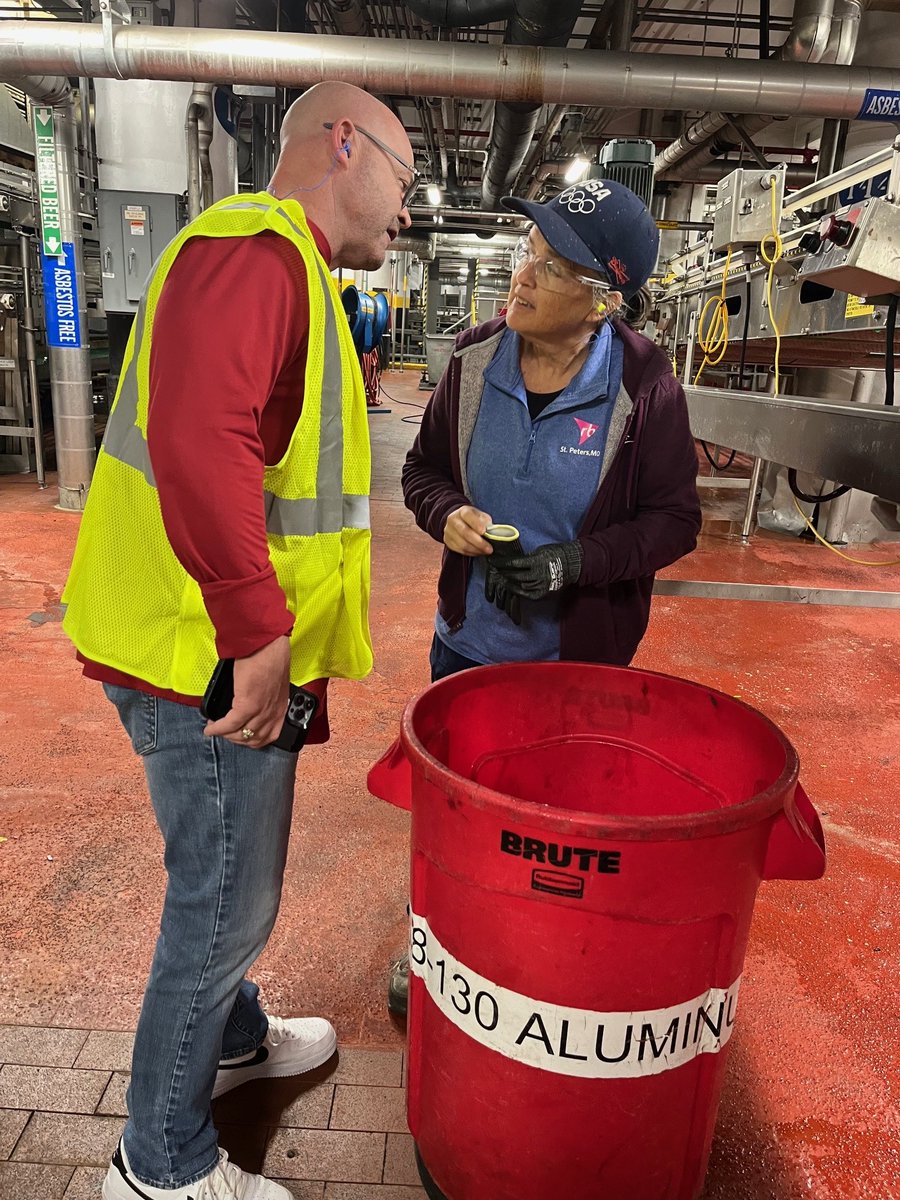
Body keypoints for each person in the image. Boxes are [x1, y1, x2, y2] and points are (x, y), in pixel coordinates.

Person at [61, 82, 416, 1200]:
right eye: (405, 184)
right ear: (342, 144)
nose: (406, 213)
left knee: (226, 881)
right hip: (202, 650)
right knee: (221, 901)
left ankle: (233, 1042)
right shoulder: (256, 251)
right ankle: (160, 1165)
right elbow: (198, 436)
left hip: (208, 640)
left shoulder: (291, 268)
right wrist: (257, 631)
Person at [387, 180, 702, 1014]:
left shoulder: (646, 391)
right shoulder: (472, 359)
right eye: (529, 253)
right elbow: (420, 472)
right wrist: (445, 512)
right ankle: (432, 933)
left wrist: (573, 566)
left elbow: (674, 520)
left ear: (601, 301)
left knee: (552, 821)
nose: (520, 277)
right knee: (449, 804)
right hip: (465, 642)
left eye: (551, 267)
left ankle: (534, 954)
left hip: (575, 661)